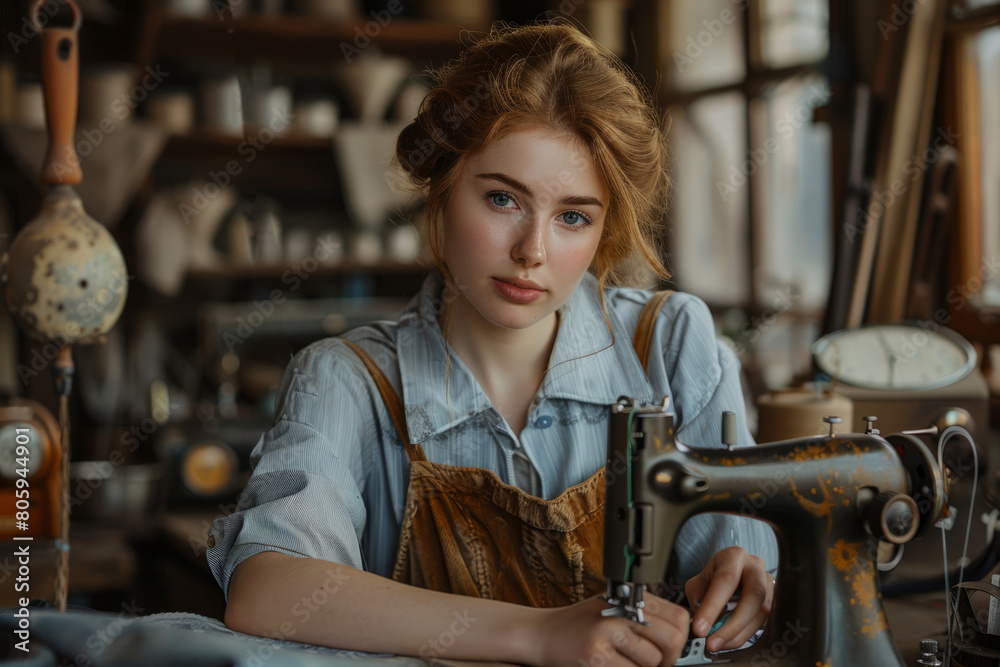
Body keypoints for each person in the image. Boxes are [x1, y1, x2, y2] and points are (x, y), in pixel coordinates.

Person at [207, 21, 777, 667]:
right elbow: (266, 588)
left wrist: (742, 580)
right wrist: (539, 634)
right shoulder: (350, 379)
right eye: (503, 198)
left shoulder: (669, 343)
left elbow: (740, 571)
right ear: (442, 184)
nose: (532, 251)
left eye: (573, 217)